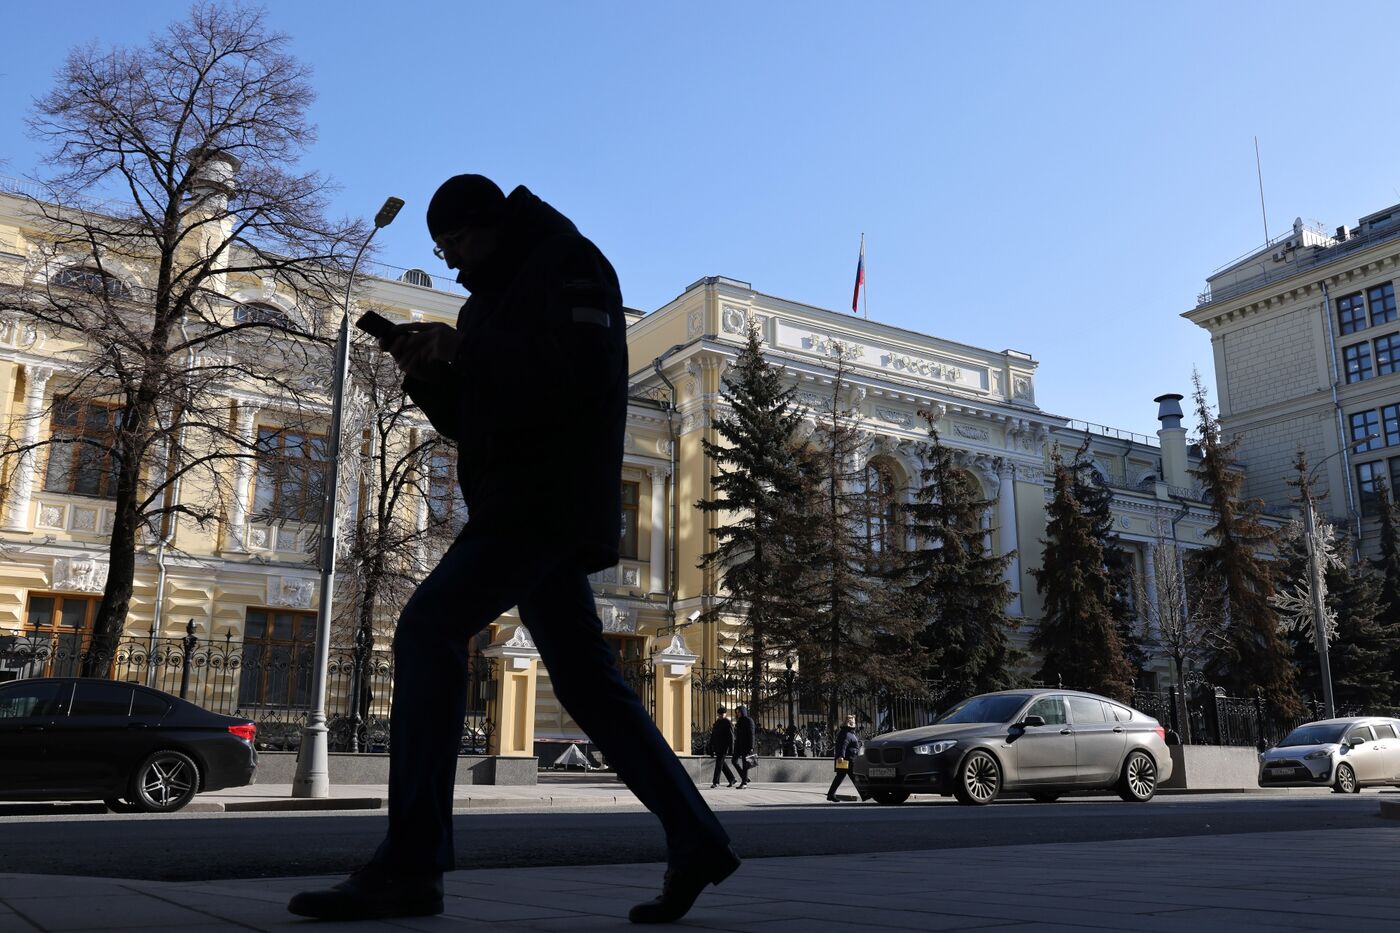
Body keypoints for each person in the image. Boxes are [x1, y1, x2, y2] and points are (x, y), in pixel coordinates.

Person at [288, 175, 739, 925]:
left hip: (543, 501)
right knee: (589, 683)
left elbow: (581, 376)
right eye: (442, 251)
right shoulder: (490, 298)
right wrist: (434, 378)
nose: (454, 262)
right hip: (518, 499)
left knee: (429, 628)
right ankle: (696, 836)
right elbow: (484, 415)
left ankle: (410, 865)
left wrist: (472, 347)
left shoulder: (570, 263)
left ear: (491, 222)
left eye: (456, 242)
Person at [827, 714, 862, 802]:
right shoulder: (846, 734)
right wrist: (841, 756)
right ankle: (864, 794)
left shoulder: (849, 733)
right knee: (851, 777)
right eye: (854, 723)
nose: (855, 724)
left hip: (849, 759)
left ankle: (831, 795)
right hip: (846, 760)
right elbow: (842, 746)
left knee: (845, 777)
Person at [709, 706, 737, 788]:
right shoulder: (717, 722)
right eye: (719, 714)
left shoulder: (728, 723)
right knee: (721, 764)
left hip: (724, 747)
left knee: (719, 764)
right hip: (717, 746)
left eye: (722, 714)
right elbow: (713, 735)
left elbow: (731, 737)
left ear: (725, 714)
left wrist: (731, 749)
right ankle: (732, 779)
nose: (720, 715)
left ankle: (716, 782)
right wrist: (711, 746)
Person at [732, 704, 755, 788]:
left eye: (739, 712)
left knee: (745, 764)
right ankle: (745, 777)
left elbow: (752, 734)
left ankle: (744, 783)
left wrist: (751, 747)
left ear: (743, 712)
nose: (738, 714)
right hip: (738, 745)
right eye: (737, 712)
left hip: (746, 745)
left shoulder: (749, 720)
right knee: (734, 761)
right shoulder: (739, 721)